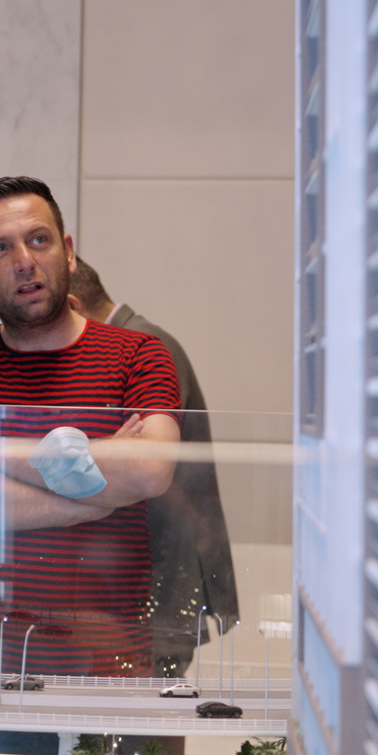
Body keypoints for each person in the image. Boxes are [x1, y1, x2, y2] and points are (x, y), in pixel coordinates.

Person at [0, 176, 181, 680]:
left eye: (39, 239)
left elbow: (150, 469)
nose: (24, 261)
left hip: (106, 662)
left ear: (68, 252)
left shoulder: (138, 354)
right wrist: (85, 500)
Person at [67, 257, 240, 676]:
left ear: (72, 306)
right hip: (159, 567)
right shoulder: (144, 342)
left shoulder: (142, 348)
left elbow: (140, 471)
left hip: (161, 570)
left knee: (152, 699)